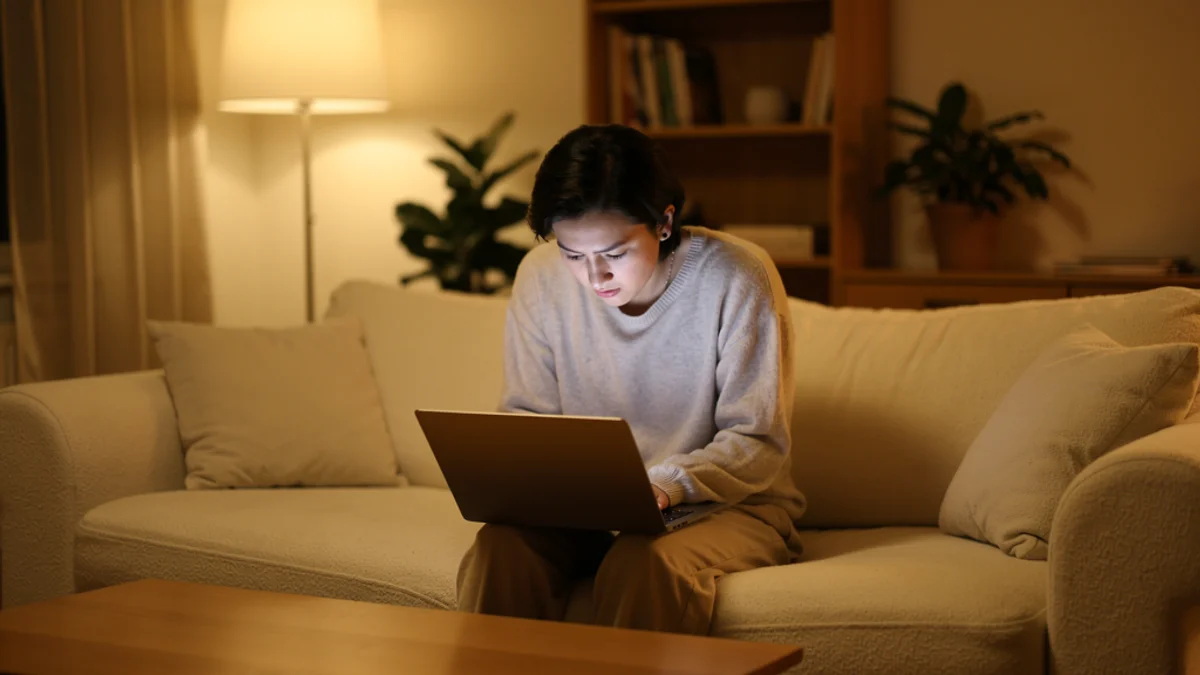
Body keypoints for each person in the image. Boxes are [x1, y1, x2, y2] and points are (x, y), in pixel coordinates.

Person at [456, 123, 806, 636]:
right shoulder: (539, 275)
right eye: (573, 255)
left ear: (664, 222)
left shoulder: (737, 275)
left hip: (729, 507)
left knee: (641, 561)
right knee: (499, 549)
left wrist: (665, 485)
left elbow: (756, 441)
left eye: (614, 253)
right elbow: (528, 417)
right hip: (588, 516)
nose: (594, 277)